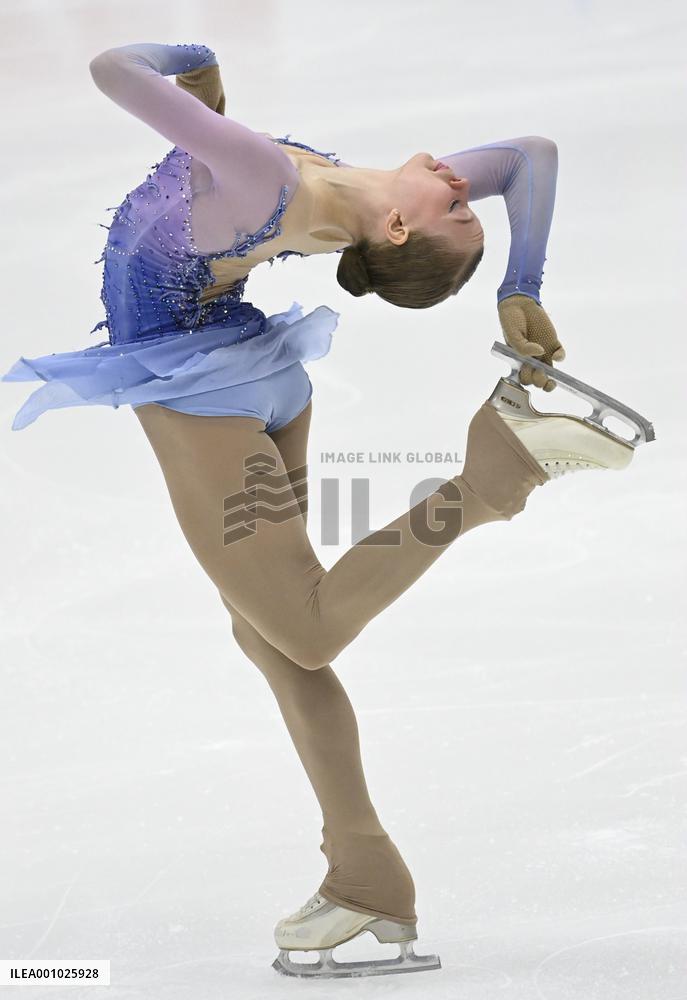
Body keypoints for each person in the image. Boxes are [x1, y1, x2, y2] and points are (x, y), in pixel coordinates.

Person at [0, 43, 650, 979]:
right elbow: (530, 155)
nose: (464, 190)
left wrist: (191, 63)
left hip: (202, 396)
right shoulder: (348, 189)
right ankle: (363, 871)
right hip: (256, 370)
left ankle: (490, 478)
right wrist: (518, 288)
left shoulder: (274, 174)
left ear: (393, 227)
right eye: (466, 207)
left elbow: (110, 70)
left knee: (300, 630)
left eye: (456, 210)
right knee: (269, 636)